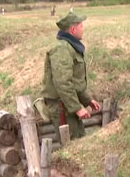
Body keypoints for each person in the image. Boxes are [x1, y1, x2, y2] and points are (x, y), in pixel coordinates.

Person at [42, 12, 100, 141]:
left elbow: (75, 82)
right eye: (81, 26)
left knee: (80, 141)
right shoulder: (62, 49)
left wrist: (87, 100)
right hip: (62, 107)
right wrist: (77, 108)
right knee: (72, 146)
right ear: (73, 30)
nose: (83, 29)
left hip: (68, 105)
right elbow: (63, 82)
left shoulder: (71, 48)